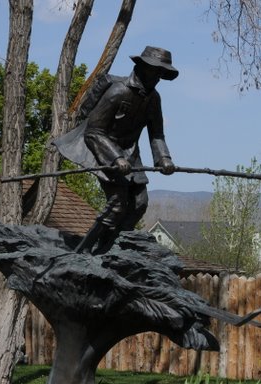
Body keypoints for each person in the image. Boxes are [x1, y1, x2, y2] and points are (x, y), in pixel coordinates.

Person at [53, 46, 179, 254]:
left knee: (140, 203)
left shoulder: (153, 99)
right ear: (141, 67)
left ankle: (110, 249)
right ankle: (84, 252)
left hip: (131, 154)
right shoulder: (119, 91)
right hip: (104, 149)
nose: (157, 77)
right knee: (117, 204)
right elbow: (93, 131)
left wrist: (164, 159)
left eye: (161, 73)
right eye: (154, 71)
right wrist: (116, 158)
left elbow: (156, 135)